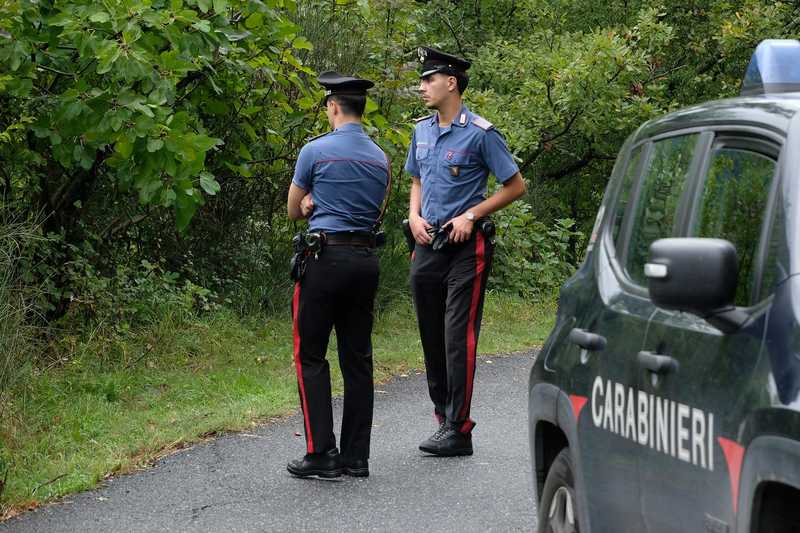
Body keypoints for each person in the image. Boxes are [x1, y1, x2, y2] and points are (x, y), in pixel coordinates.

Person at [405, 47, 526, 456]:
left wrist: (471, 214)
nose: (421, 87)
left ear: (451, 82)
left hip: (464, 249)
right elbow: (417, 179)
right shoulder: (421, 130)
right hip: (427, 243)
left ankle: (459, 427)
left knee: (457, 336)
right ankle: (443, 418)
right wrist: (414, 216)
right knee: (431, 335)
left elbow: (514, 186)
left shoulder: (481, 133)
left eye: (428, 79)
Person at [286, 71, 390, 478]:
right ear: (361, 110)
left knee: (311, 353)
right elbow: (375, 210)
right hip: (365, 262)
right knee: (357, 358)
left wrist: (312, 202)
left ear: (332, 107)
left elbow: (294, 209)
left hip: (324, 259)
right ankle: (355, 457)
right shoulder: (381, 158)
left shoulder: (314, 151)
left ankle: (319, 454)